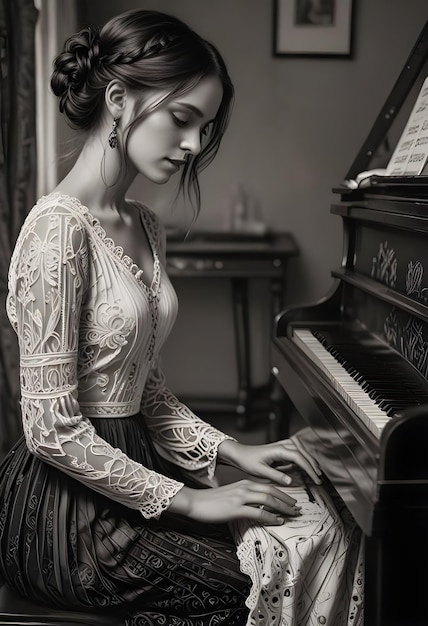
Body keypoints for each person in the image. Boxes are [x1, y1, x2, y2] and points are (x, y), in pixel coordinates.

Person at [0, 9, 363, 626]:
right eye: (182, 118)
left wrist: (230, 451)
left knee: (299, 531)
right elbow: (51, 429)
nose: (194, 144)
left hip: (135, 469)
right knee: (237, 584)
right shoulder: (57, 229)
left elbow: (149, 390)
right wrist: (193, 503)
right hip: (64, 512)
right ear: (119, 98)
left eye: (205, 125)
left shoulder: (145, 223)